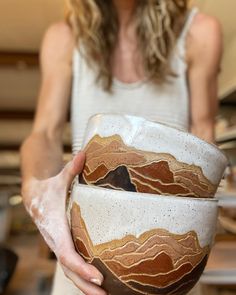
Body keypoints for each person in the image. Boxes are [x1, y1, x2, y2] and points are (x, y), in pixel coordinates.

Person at [20, 0, 222, 294]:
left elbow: (203, 136)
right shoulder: (64, 37)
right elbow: (45, 133)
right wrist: (36, 188)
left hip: (173, 262)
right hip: (84, 259)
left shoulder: (200, 33)